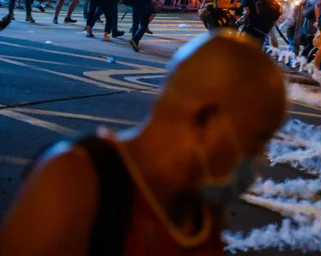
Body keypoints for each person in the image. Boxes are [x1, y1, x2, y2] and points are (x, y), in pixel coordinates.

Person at [0, 32, 286, 256]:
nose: (257, 156)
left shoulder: (203, 208)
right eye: (257, 138)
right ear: (209, 121)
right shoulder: (75, 182)